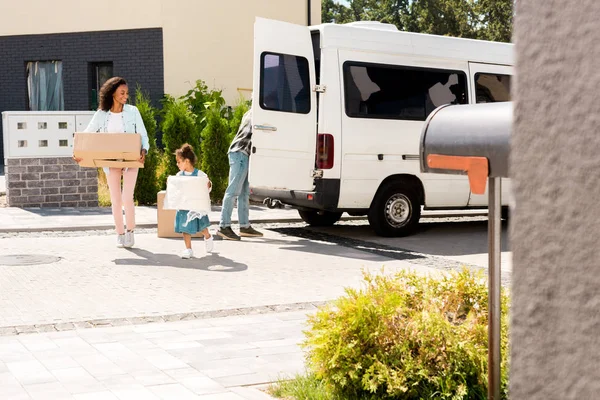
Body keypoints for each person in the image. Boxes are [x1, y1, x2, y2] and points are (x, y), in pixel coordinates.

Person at [76, 77, 149, 248]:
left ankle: (130, 231)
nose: (125, 96)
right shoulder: (102, 114)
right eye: (122, 93)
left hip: (131, 160)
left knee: (127, 197)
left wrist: (143, 150)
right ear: (113, 93)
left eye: (127, 93)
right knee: (115, 199)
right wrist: (79, 153)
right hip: (110, 161)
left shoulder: (133, 111)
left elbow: (143, 135)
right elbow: (88, 134)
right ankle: (120, 233)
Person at [216, 108, 263, 241]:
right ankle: (224, 226)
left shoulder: (249, 112)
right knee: (233, 191)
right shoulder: (259, 113)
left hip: (242, 153)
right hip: (240, 153)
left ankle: (244, 226)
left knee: (244, 193)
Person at [173, 144, 213, 259]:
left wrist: (208, 184)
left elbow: (207, 187)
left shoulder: (200, 174)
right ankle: (188, 249)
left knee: (201, 227)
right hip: (184, 206)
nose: (177, 164)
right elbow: (176, 189)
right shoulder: (179, 175)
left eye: (179, 162)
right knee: (185, 227)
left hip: (196, 207)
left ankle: (208, 236)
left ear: (186, 161)